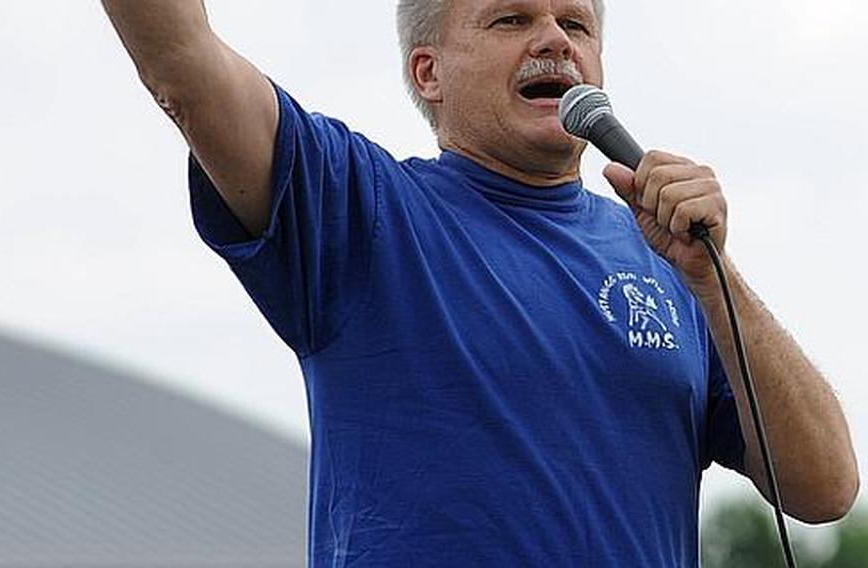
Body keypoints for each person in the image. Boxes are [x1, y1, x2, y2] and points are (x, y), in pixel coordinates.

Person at [102, 1, 859, 565]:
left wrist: (714, 273)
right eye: (510, 18)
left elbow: (825, 488)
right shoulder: (362, 209)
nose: (556, 39)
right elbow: (183, 63)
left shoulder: (671, 262)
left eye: (577, 23)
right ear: (427, 71)